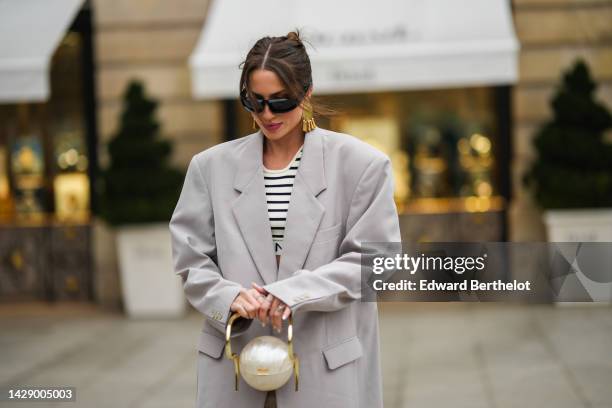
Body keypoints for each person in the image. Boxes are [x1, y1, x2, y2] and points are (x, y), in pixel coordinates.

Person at [169, 30, 401, 408]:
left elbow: (378, 260)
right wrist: (228, 298)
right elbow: (191, 260)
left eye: (280, 102)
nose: (266, 115)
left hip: (324, 369)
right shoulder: (209, 167)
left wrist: (292, 293)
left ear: (306, 93)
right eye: (254, 102)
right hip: (233, 366)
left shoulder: (361, 165)